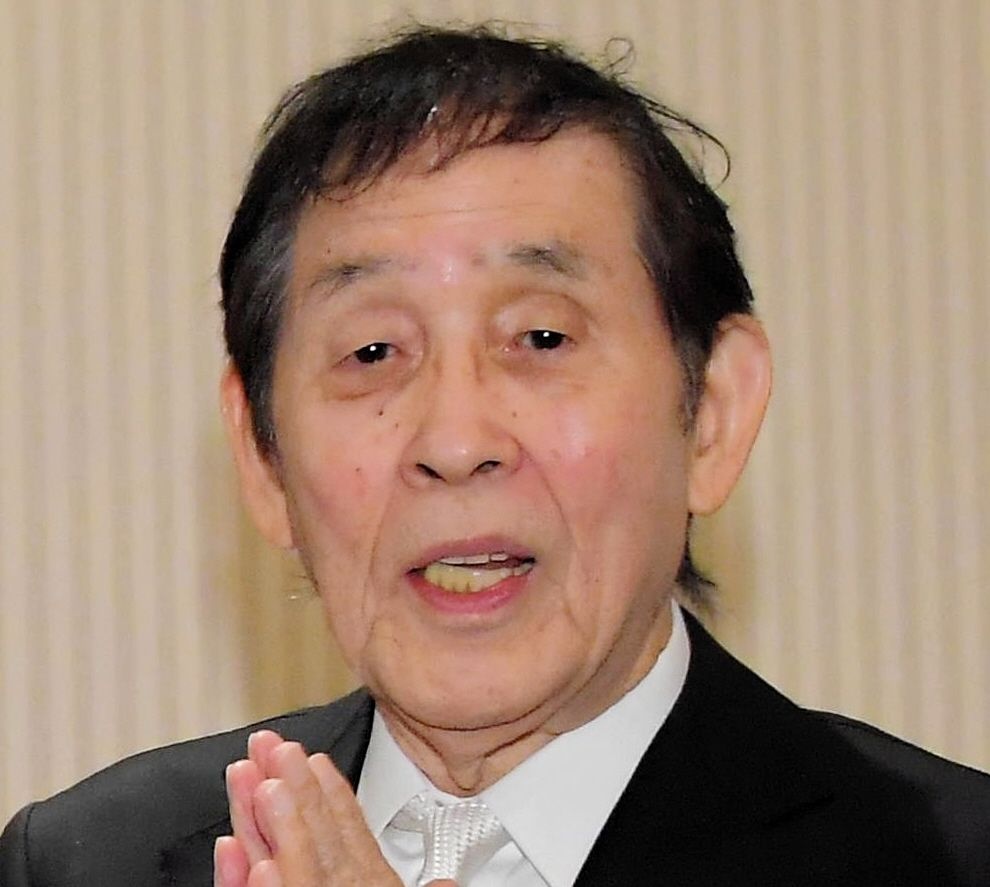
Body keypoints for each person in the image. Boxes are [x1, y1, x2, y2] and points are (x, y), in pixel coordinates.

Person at [2, 24, 988, 887]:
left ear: (713, 414)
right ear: (263, 457)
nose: (457, 440)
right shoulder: (87, 860)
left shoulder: (943, 855)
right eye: (372, 352)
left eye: (541, 338)